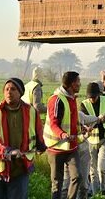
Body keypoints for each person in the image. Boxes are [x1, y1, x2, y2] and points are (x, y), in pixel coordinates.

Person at [0, 78, 46, 199]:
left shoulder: (31, 111)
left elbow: (38, 131)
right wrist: (7, 151)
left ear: (20, 93)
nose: (9, 92)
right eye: (6, 89)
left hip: (20, 169)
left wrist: (40, 145)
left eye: (13, 89)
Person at [44, 71, 82, 199]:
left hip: (71, 147)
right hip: (56, 147)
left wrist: (82, 128)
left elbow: (72, 121)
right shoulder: (56, 100)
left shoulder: (72, 98)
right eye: (78, 81)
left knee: (77, 176)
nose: (80, 84)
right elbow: (53, 124)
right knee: (57, 182)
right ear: (72, 84)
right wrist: (63, 134)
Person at [80, 83, 105, 196]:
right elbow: (84, 122)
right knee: (93, 170)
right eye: (90, 97)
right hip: (92, 140)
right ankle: (95, 194)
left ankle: (103, 191)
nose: (92, 99)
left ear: (99, 94)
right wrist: (94, 123)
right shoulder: (84, 105)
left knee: (101, 167)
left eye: (94, 97)